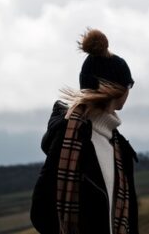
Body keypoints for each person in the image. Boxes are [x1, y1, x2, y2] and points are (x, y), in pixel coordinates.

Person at [30, 29, 139, 234]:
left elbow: (130, 220)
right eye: (129, 83)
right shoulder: (68, 137)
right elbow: (41, 212)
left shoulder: (120, 149)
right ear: (118, 88)